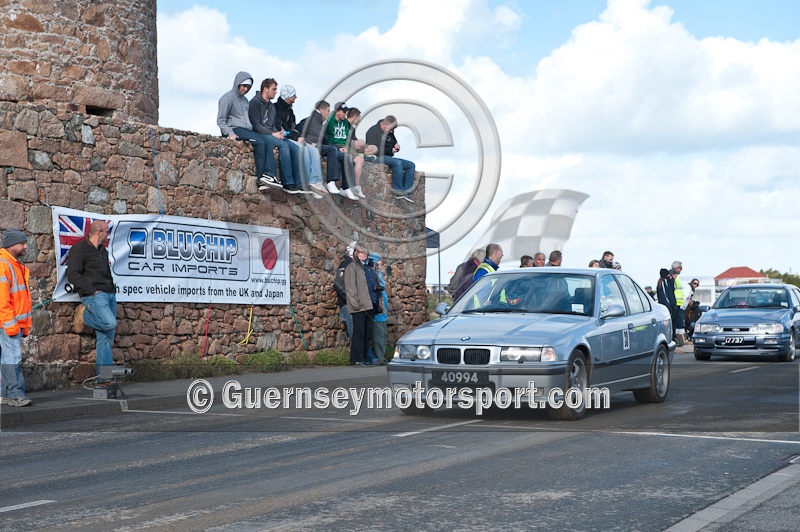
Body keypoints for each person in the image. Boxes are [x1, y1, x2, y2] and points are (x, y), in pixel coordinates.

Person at [66, 220, 118, 385]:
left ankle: (104, 378)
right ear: (98, 232)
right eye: (106, 232)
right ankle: (85, 317)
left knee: (105, 338)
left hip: (109, 295)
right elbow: (73, 275)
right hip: (94, 296)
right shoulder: (79, 249)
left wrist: (111, 290)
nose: (107, 235)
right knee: (110, 323)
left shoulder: (103, 250)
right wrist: (91, 290)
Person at [248, 78, 307, 195]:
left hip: (270, 133)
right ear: (265, 89)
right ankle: (287, 183)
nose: (276, 92)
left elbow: (271, 125)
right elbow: (256, 124)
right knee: (283, 145)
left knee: (295, 148)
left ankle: (299, 183)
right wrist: (272, 134)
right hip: (259, 134)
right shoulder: (254, 102)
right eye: (274, 89)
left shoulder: (271, 106)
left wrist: (278, 133)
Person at [216, 71, 275, 183]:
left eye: (248, 87)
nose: (246, 89)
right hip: (234, 129)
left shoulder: (245, 100)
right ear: (237, 83)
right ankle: (261, 178)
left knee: (267, 140)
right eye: (244, 86)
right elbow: (221, 120)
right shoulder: (227, 98)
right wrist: (229, 133)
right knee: (259, 142)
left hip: (246, 130)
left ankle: (270, 176)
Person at [0, 229, 33, 407]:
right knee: (12, 358)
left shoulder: (11, 264)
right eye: (22, 243)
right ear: (12, 245)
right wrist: (11, 324)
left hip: (9, 322)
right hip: (8, 323)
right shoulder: (5, 264)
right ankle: (15, 394)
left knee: (7, 358)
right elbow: (2, 300)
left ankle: (6, 394)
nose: (26, 247)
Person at [274, 85, 325, 198]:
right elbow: (280, 130)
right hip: (285, 138)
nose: (295, 98)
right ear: (288, 96)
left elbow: (294, 128)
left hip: (294, 138)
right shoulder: (276, 108)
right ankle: (303, 182)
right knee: (302, 149)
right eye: (293, 95)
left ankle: (315, 181)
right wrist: (295, 138)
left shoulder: (290, 111)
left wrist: (298, 137)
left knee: (314, 151)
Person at [365, 115, 416, 203]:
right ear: (385, 125)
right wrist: (390, 150)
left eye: (393, 130)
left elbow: (393, 142)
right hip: (375, 157)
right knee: (397, 163)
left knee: (411, 165)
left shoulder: (389, 131)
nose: (392, 132)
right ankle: (397, 191)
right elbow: (373, 150)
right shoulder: (372, 131)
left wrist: (396, 145)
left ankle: (406, 192)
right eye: (391, 129)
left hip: (387, 157)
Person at [297, 100, 341, 194]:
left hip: (319, 147)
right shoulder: (308, 120)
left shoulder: (321, 124)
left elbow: (327, 140)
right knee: (332, 150)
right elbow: (297, 130)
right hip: (310, 146)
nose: (329, 113)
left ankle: (346, 187)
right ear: (321, 110)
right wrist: (308, 142)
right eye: (328, 110)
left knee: (340, 154)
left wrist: (339, 148)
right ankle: (330, 182)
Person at [344, 244, 376, 365]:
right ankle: (357, 359)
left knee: (368, 333)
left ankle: (365, 358)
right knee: (359, 332)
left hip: (369, 304)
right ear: (356, 254)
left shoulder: (369, 267)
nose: (364, 254)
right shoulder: (352, 267)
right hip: (358, 306)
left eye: (365, 252)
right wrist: (355, 304)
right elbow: (350, 287)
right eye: (361, 252)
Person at [325, 102, 362, 200]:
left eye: (346, 112)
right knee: (345, 156)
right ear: (337, 111)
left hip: (344, 146)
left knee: (348, 157)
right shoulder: (329, 121)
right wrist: (337, 147)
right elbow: (326, 137)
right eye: (344, 112)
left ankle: (345, 188)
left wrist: (346, 146)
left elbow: (347, 138)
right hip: (333, 145)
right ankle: (334, 183)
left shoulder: (345, 122)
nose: (346, 114)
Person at [333, 241, 356, 341]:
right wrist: (348, 300)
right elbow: (339, 284)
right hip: (349, 304)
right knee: (354, 333)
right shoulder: (345, 265)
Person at [369, 253, 389, 365]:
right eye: (379, 261)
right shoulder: (372, 274)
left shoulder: (378, 274)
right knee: (378, 336)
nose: (381, 263)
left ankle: (382, 356)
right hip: (378, 311)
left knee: (383, 335)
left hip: (383, 310)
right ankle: (379, 357)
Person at [656, 267, 677, 339]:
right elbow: (666, 295)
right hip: (667, 306)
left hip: (668, 305)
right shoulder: (663, 282)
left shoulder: (664, 281)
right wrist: (670, 305)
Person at [671, 260, 687, 344]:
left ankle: (679, 340)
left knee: (678, 323)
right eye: (680, 268)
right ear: (675, 268)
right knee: (679, 323)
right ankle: (682, 340)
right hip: (676, 304)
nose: (681, 269)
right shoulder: (672, 278)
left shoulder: (676, 278)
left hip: (679, 304)